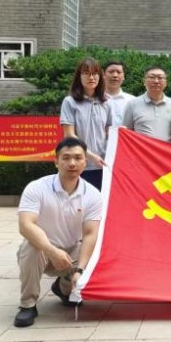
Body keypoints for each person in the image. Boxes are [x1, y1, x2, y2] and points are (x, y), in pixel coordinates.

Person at [14, 137, 102, 328]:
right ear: (56, 161)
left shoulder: (93, 195)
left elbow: (90, 234)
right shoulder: (37, 188)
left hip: (71, 251)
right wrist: (51, 250)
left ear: (85, 162)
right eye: (66, 158)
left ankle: (64, 288)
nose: (72, 163)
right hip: (43, 249)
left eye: (78, 158)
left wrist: (80, 270)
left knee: (97, 251)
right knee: (31, 247)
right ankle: (27, 304)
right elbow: (26, 225)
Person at [60, 57, 112, 190]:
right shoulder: (70, 102)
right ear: (79, 77)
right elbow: (69, 135)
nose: (91, 77)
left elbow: (109, 132)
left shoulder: (106, 102)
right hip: (78, 165)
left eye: (95, 73)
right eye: (86, 73)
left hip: (102, 165)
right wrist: (90, 156)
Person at [121, 65, 171, 141]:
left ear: (166, 83)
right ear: (144, 81)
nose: (156, 81)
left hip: (166, 148)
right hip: (141, 148)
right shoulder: (132, 104)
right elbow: (127, 132)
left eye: (160, 78)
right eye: (152, 77)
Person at [103, 61, 135, 128]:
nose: (115, 75)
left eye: (119, 72)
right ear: (103, 75)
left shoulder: (132, 101)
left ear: (123, 76)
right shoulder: (94, 99)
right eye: (111, 72)